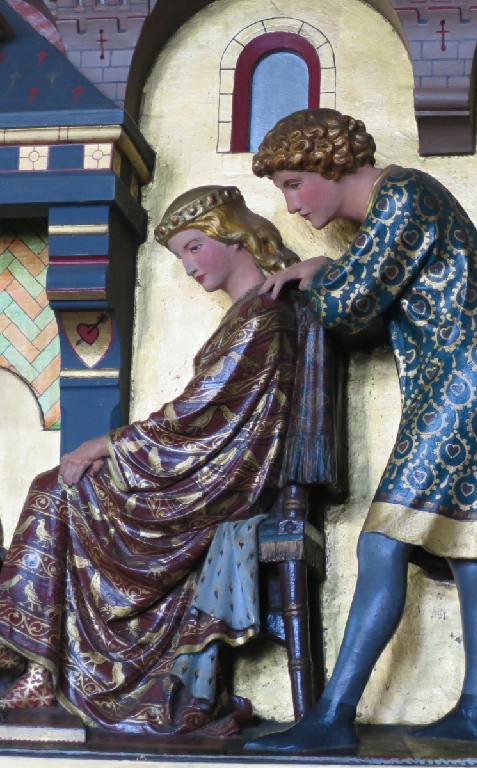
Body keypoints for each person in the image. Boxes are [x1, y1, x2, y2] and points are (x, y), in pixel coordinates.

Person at [245, 108, 477, 754]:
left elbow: (348, 305)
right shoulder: (397, 204)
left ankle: (334, 716)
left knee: (383, 542)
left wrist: (319, 274)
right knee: (471, 549)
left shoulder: (402, 196)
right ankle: (476, 712)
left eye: (295, 183)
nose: (292, 204)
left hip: (467, 379)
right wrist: (329, 271)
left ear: (330, 162)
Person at [0, 185, 309, 734]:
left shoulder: (263, 316)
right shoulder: (247, 314)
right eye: (181, 255)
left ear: (232, 235)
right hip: (204, 466)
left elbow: (198, 414)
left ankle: (38, 668)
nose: (189, 266)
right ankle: (39, 667)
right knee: (60, 488)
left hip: (221, 479)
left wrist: (106, 444)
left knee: (56, 489)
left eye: (194, 247)